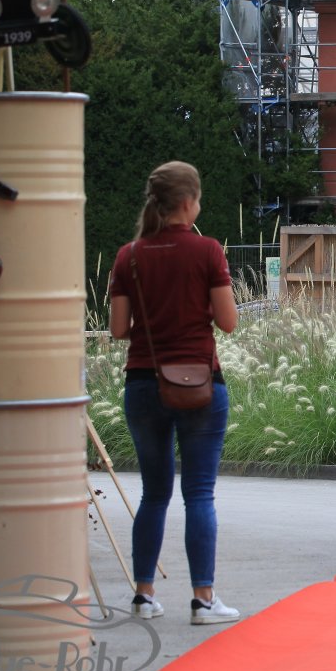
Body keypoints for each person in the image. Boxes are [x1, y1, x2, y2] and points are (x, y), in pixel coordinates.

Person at [108, 161, 242, 625]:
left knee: (153, 494)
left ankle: (144, 595)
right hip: (200, 384)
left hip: (143, 383)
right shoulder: (207, 251)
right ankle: (203, 600)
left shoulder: (128, 256)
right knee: (199, 494)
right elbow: (228, 321)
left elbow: (118, 328)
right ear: (188, 203)